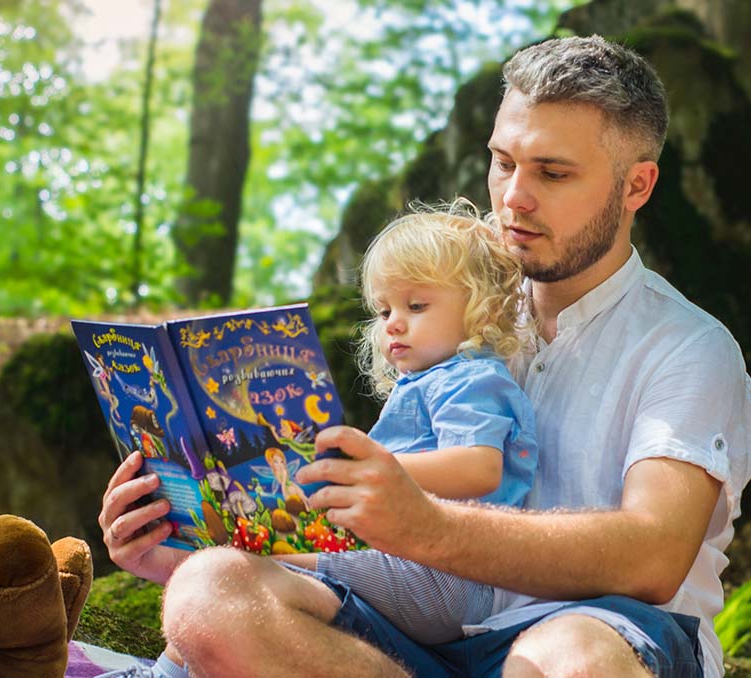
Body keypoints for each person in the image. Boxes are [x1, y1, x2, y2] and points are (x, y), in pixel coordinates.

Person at [98, 35, 751, 677]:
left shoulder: (688, 348)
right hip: (415, 639)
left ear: (636, 186)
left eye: (552, 172)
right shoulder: (454, 306)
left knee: (570, 658)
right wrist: (177, 529)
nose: (514, 195)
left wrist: (424, 524)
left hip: (600, 637)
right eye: (503, 162)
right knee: (207, 590)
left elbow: (654, 554)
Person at [276, 201, 538, 645]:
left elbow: (480, 468)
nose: (394, 324)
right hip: (414, 561)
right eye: (383, 312)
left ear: (483, 309)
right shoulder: (432, 380)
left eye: (415, 305)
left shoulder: (471, 377)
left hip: (449, 574)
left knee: (262, 562)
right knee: (255, 563)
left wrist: (373, 468)